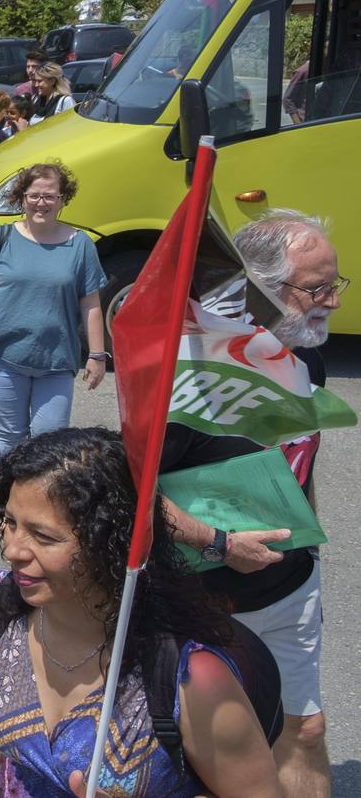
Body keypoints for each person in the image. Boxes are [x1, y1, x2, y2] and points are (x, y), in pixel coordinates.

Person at [0, 427, 284, 798]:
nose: (13, 549)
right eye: (10, 523)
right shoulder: (1, 609)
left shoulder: (193, 680)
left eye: (43, 536)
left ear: (110, 542)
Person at [159, 210, 345, 798]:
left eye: (333, 284)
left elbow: (297, 460)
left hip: (289, 590)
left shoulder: (304, 358)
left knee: (306, 729)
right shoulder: (192, 378)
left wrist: (309, 551)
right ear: (261, 290)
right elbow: (131, 495)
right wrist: (217, 543)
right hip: (203, 604)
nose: (331, 303)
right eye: (315, 289)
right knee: (220, 759)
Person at [0, 163, 107, 462]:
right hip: (4, 355)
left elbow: (90, 304)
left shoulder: (80, 246)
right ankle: (5, 499)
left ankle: (40, 504)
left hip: (56, 358)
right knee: (10, 437)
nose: (42, 202)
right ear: (22, 197)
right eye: (34, 195)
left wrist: (97, 354)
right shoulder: (1, 238)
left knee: (50, 440)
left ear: (63, 199)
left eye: (50, 196)